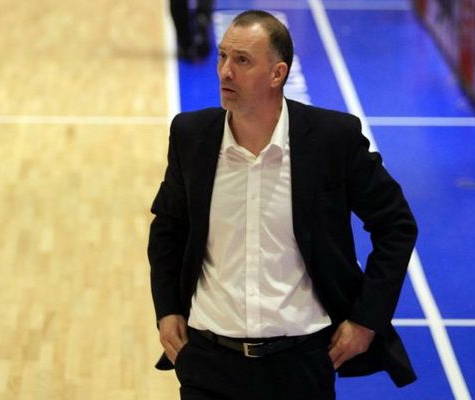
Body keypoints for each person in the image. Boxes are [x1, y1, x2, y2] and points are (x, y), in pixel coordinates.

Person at [148, 10, 418, 399]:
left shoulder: (332, 140)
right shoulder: (191, 136)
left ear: (278, 74)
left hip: (300, 365)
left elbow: (396, 225)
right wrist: (167, 308)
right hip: (208, 362)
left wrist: (366, 320)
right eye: (223, 56)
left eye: (242, 61)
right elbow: (167, 229)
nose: (225, 71)